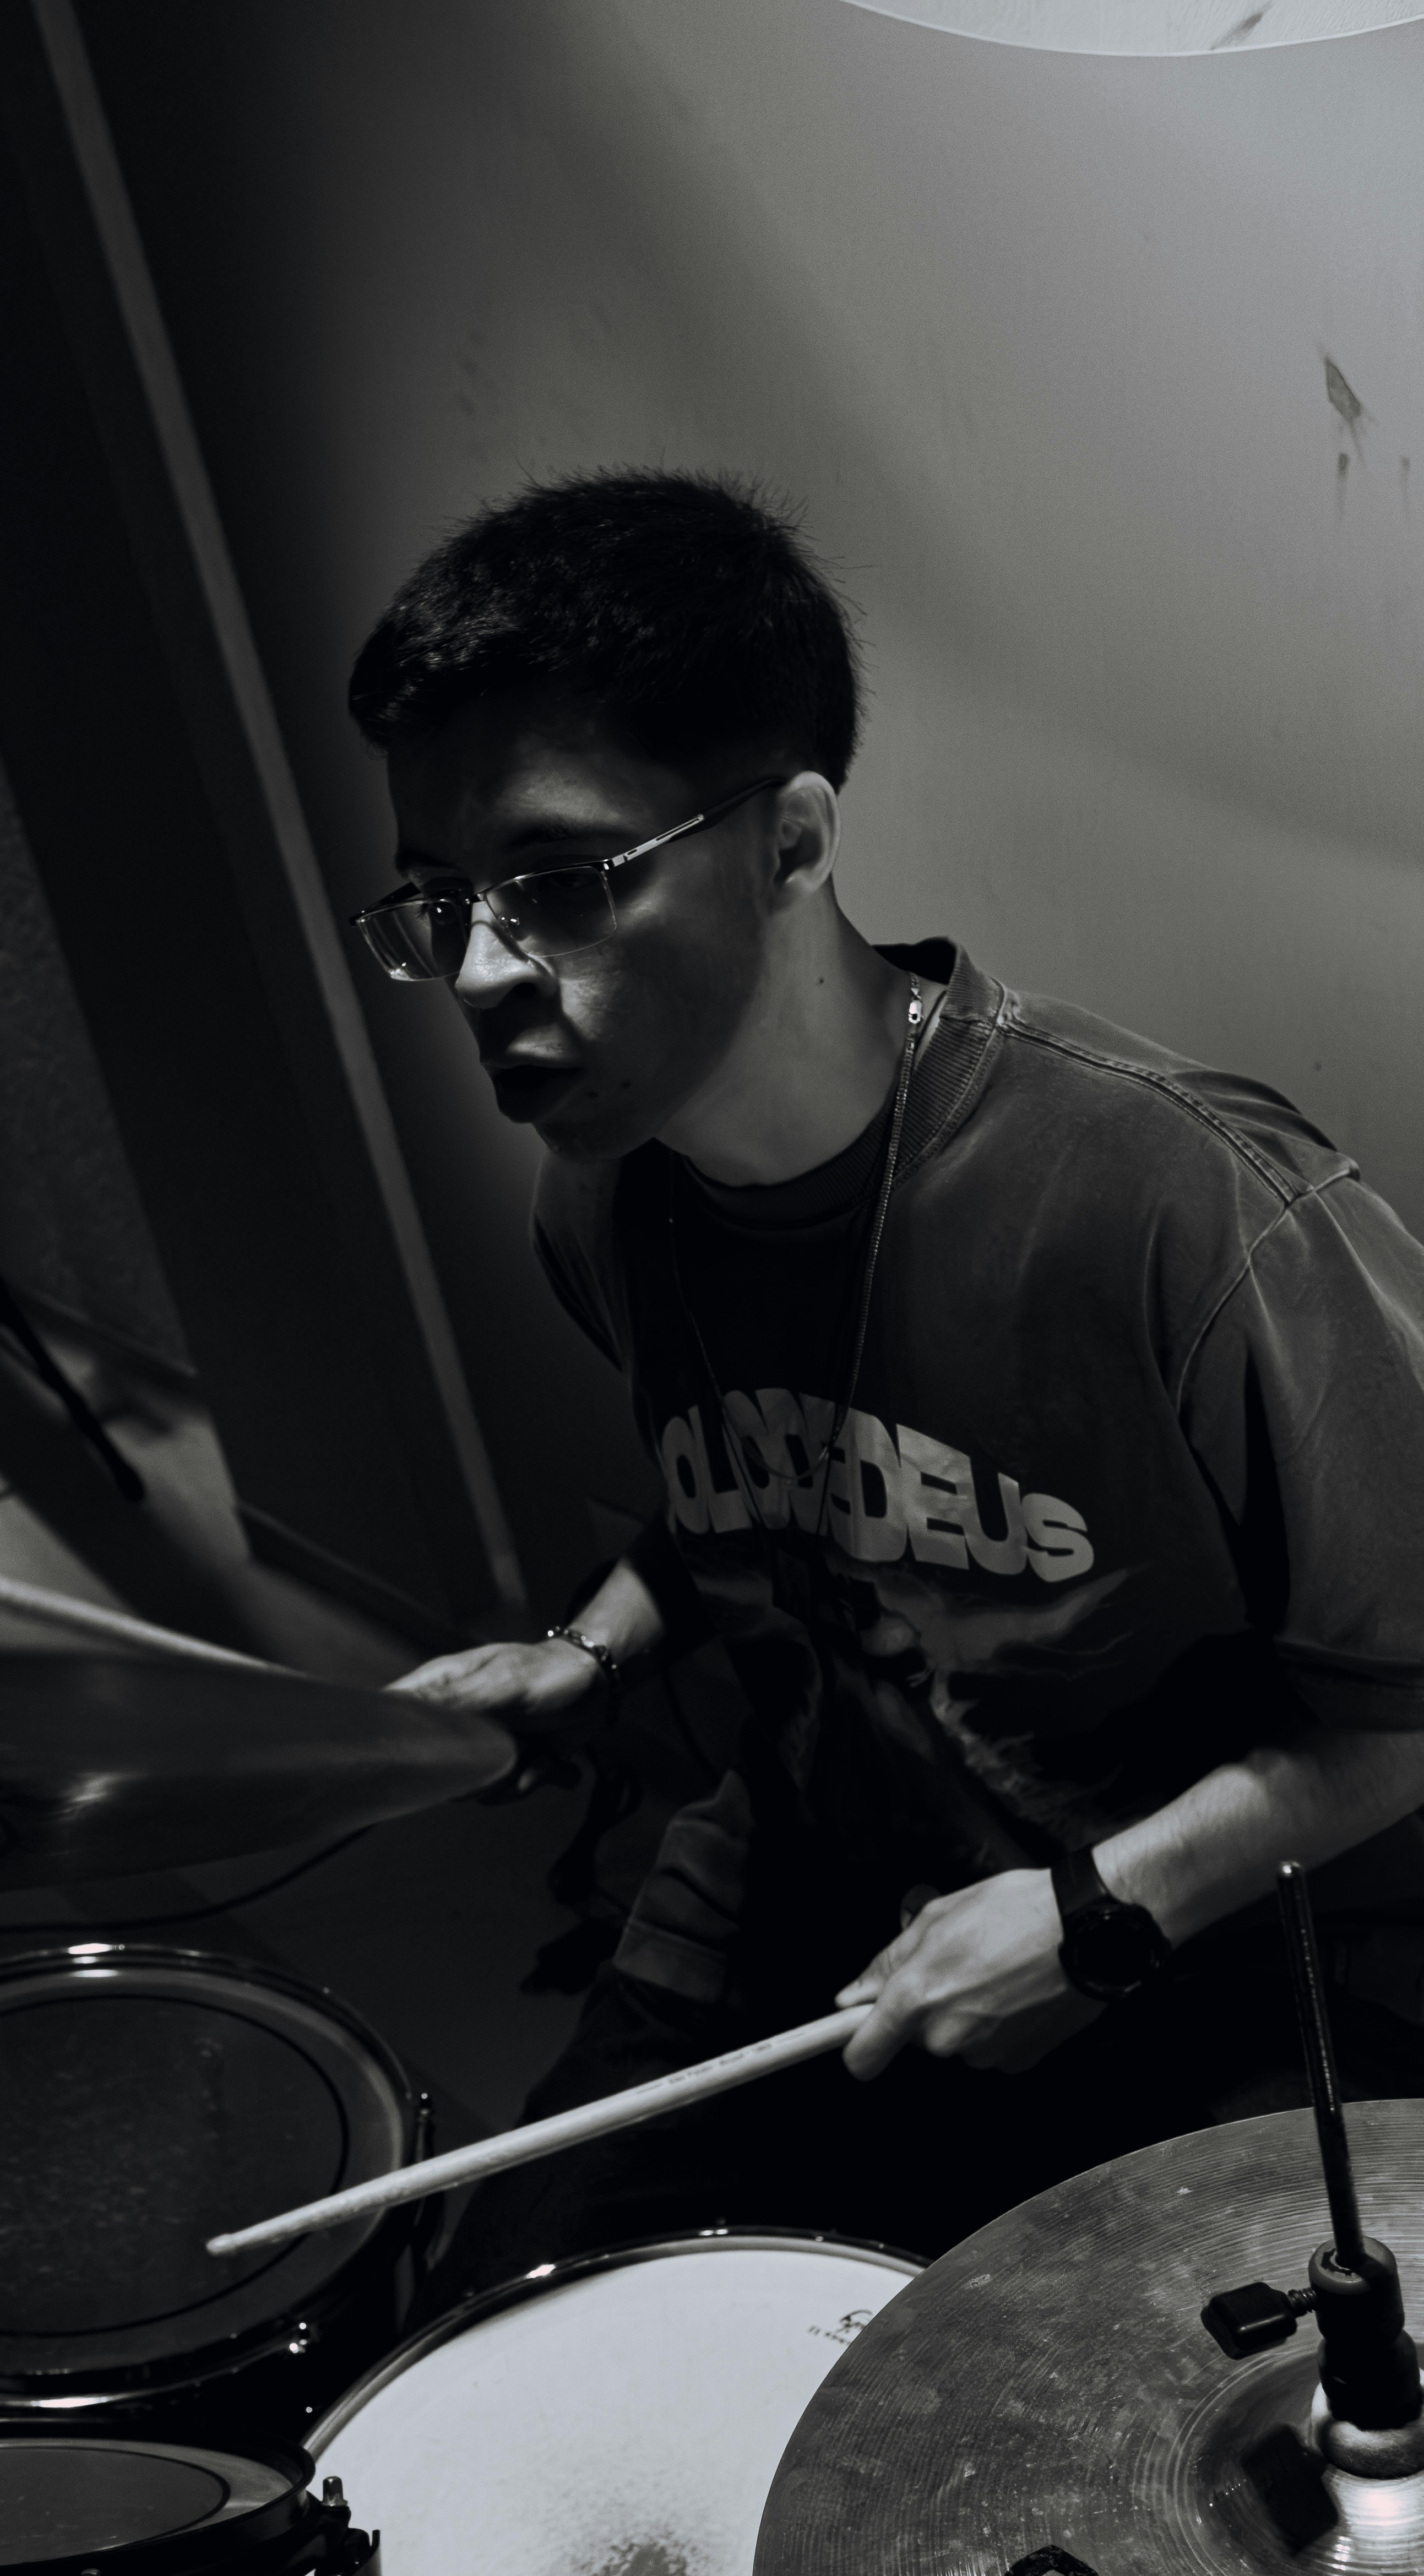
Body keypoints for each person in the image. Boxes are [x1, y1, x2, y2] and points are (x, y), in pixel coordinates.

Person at [347, 468, 1424, 2283]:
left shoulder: (1183, 1208)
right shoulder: (605, 1200)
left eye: (553, 883)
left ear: (791, 839)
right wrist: (590, 1649)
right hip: (799, 1903)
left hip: (1203, 1957)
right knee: (474, 2350)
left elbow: (1400, 1715)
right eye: (433, 901)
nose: (476, 972)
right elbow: (763, 1509)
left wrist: (1096, 1918)